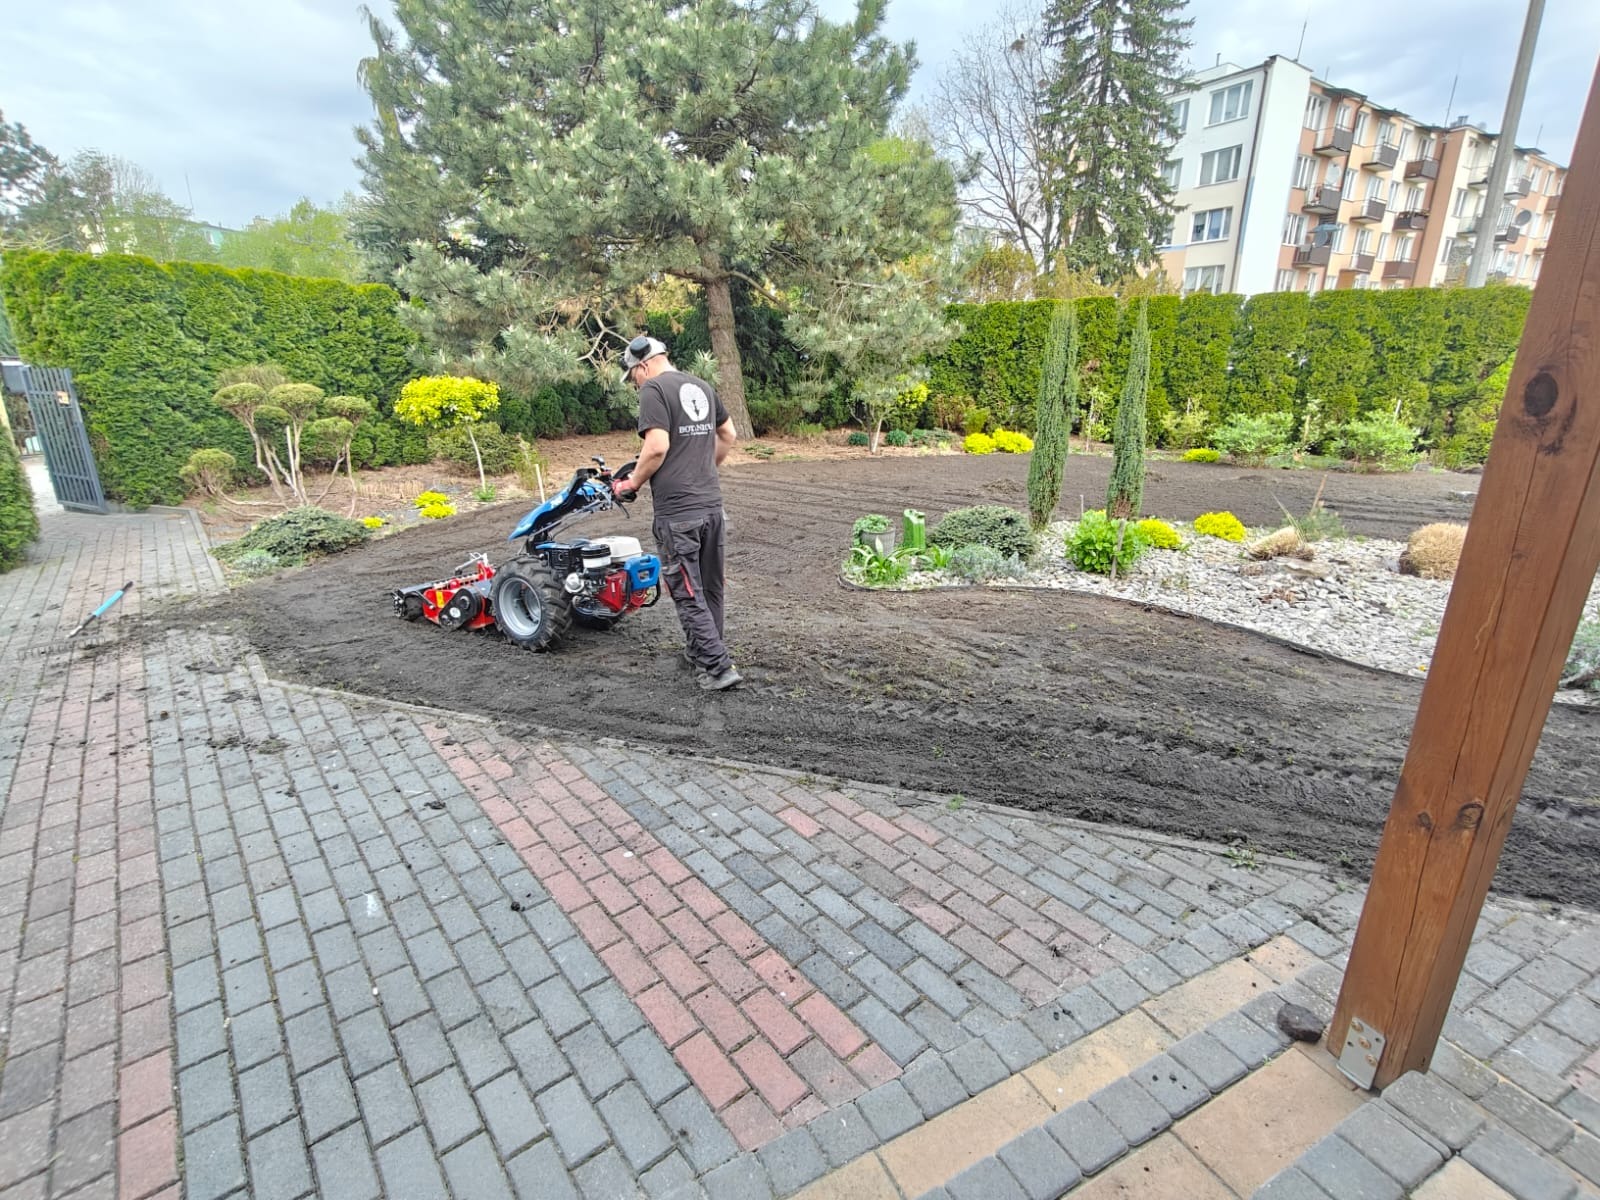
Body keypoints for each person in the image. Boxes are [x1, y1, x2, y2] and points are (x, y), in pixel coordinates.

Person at [613, 335, 742, 691]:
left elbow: (656, 447)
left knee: (686, 591)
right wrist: (704, 468)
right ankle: (702, 651)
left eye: (633, 376)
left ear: (642, 364)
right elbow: (728, 433)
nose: (635, 383)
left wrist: (631, 483)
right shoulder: (701, 386)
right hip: (711, 507)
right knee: (710, 586)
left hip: (679, 513)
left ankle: (717, 668)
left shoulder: (653, 390)